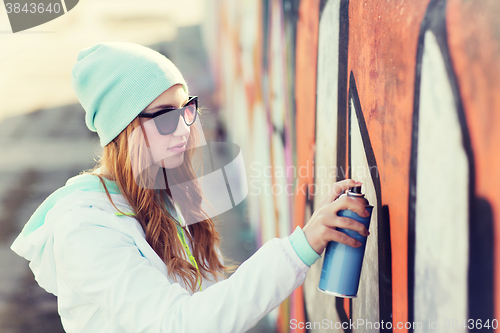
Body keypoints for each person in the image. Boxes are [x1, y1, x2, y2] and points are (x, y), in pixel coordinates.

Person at [10, 42, 370, 332]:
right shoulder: (85, 229)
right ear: (124, 128)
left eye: (186, 109)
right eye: (165, 116)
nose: (184, 128)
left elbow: (212, 303)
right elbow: (177, 324)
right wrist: (300, 247)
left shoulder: (164, 197)